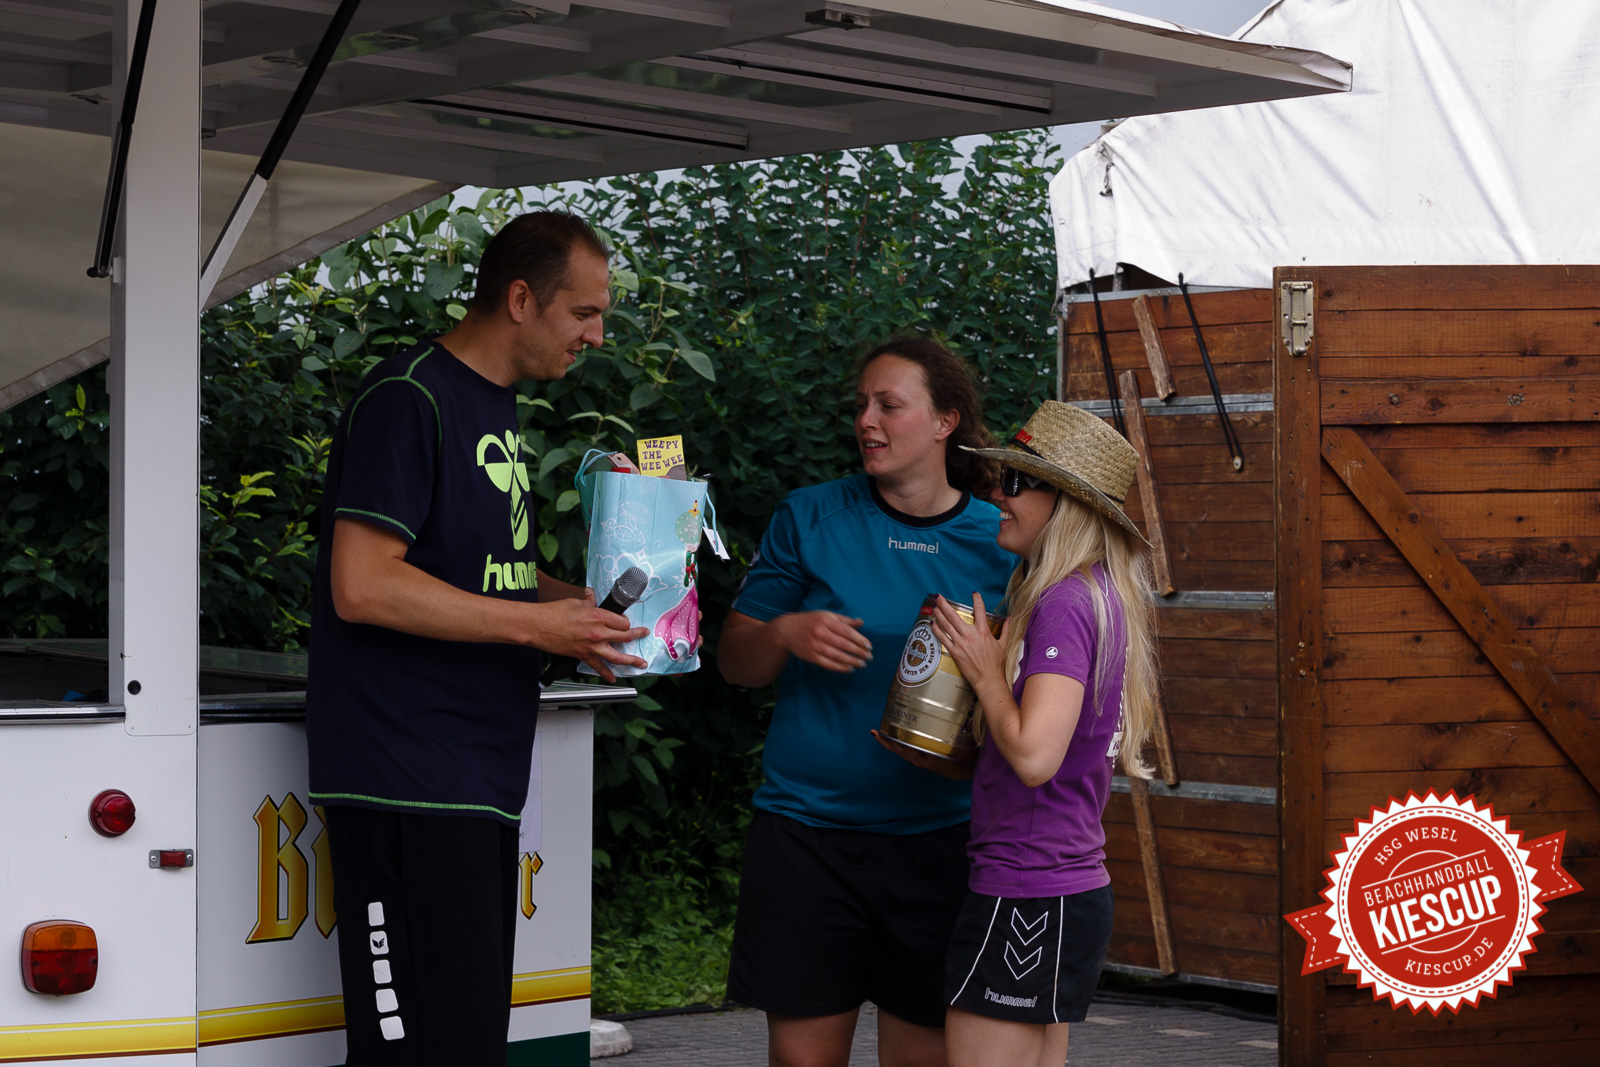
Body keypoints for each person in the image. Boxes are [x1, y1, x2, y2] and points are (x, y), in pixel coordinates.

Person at [305, 210, 649, 1066]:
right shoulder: (407, 396)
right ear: (522, 298)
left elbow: (491, 572)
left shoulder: (495, 405)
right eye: (585, 313)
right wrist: (540, 625)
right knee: (412, 1051)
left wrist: (605, 611)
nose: (596, 335)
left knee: (461, 1046)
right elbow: (364, 581)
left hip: (473, 776)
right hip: (404, 777)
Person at [718, 337, 1018, 1067]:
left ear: (946, 420)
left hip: (941, 844)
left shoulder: (1002, 538)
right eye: (861, 405)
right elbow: (736, 664)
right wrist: (786, 631)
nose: (867, 420)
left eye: (890, 404)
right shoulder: (810, 515)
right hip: (806, 836)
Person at [909, 401, 1158, 1067]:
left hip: (1027, 891)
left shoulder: (1064, 603)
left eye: (1017, 483)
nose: (997, 494)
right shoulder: (1094, 592)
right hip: (1059, 889)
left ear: (1067, 503)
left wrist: (988, 674)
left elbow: (1037, 756)